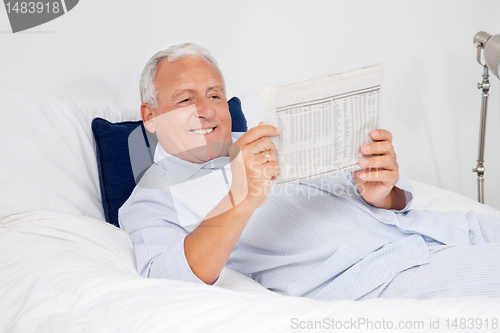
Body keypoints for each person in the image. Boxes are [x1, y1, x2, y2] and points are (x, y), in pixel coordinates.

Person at [119, 43, 500, 301]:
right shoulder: (151, 198)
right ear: (150, 117)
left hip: (436, 231)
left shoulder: (261, 138)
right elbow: (167, 281)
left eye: (215, 95)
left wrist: (382, 191)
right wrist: (240, 200)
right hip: (383, 275)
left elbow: (389, 200)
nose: (207, 110)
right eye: (186, 99)